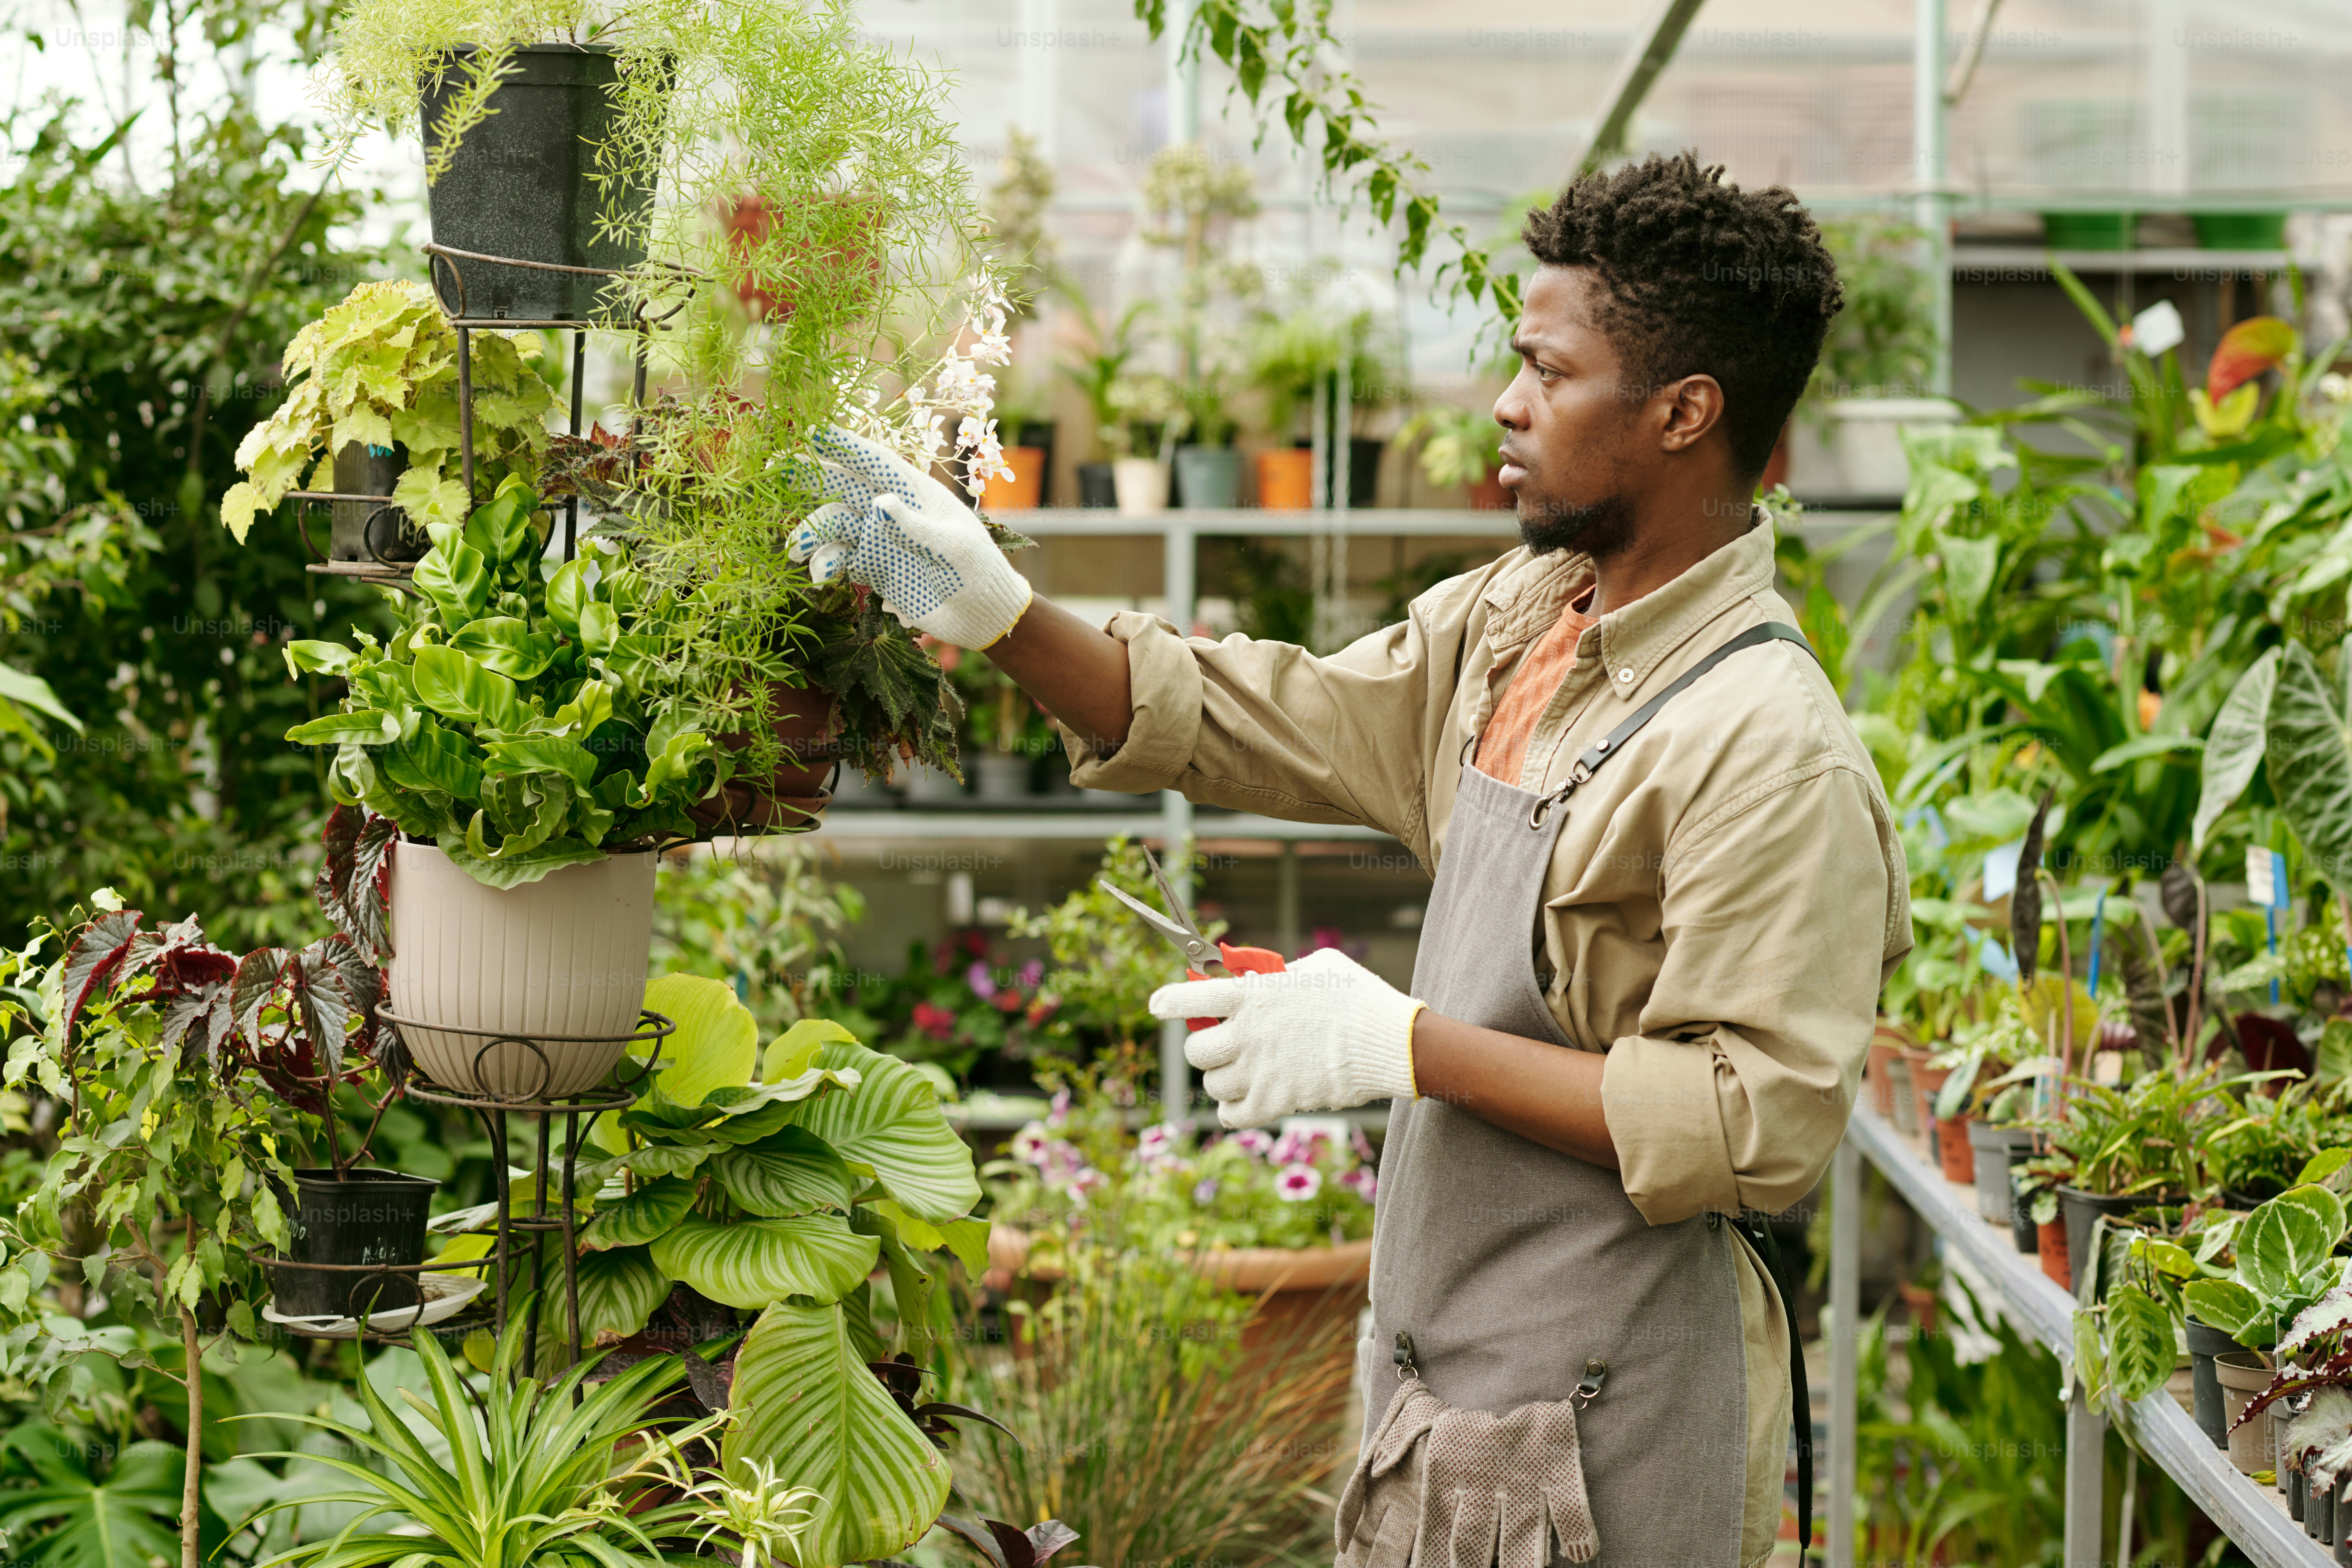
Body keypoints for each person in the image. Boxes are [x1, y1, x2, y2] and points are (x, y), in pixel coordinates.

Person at [790, 151, 1911, 1568]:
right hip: (1454, 1370)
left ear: (1687, 412)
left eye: (1549, 373)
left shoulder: (1765, 742)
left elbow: (1754, 1121)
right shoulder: (1528, 616)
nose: (1504, 404)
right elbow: (1294, 716)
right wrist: (1004, 612)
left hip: (1614, 1414)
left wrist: (1402, 1040)